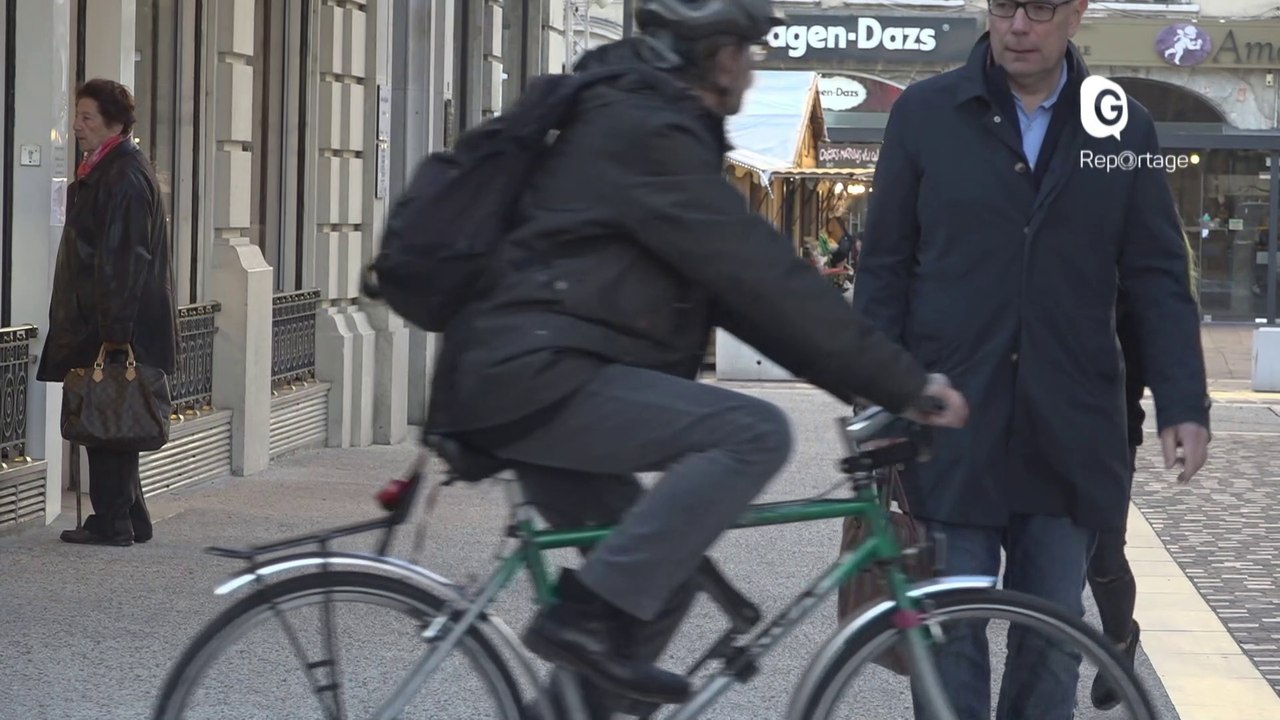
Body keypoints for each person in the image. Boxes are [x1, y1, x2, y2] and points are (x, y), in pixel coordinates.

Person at [424, 0, 969, 710]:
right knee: (753, 431)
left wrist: (869, 380)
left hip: (526, 376)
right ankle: (583, 616)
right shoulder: (647, 131)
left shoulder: (646, 119)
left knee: (655, 583)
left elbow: (741, 295)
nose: (753, 66)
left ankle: (580, 656)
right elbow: (755, 273)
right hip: (531, 378)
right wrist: (904, 383)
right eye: (750, 51)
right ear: (717, 56)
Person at [853, 0, 1211, 717]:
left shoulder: (1121, 126)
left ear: (1076, 14)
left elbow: (1156, 278)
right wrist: (877, 392)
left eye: (1040, 7)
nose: (1019, 24)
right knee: (951, 634)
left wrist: (1182, 404)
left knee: (1050, 639)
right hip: (952, 419)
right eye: (1003, 5)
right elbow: (885, 267)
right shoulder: (925, 114)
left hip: (1070, 428)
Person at [38, 79, 178, 547]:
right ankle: (130, 516)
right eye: (77, 116)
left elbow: (124, 257)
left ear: (113, 123)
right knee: (114, 417)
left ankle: (112, 521)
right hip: (107, 320)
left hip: (113, 324)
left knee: (107, 420)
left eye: (87, 118)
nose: (77, 126)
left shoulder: (121, 175)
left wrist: (115, 332)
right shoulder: (111, 169)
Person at [1088, 244, 1200, 710]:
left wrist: (1184, 407)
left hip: (1114, 427)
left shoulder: (1134, 256)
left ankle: (1118, 641)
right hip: (1046, 423)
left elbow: (1164, 327)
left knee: (1104, 554)